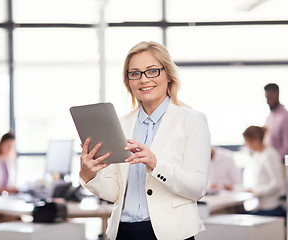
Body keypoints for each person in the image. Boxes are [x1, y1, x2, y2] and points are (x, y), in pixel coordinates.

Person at [79, 41, 211, 240]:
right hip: (123, 231)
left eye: (152, 71)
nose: (143, 79)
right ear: (129, 81)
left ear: (168, 75)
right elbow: (115, 192)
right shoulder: (121, 125)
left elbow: (197, 189)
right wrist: (89, 176)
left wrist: (155, 164)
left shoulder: (191, 120)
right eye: (135, 73)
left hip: (170, 234)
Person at [242, 125, 285, 217]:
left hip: (272, 206)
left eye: (248, 142)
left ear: (256, 141)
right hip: (260, 205)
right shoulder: (257, 155)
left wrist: (256, 190)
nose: (247, 146)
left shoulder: (270, 155)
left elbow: (277, 183)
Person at [264, 83, 288, 161]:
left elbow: (286, 145)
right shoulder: (269, 117)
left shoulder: (284, 116)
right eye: (266, 98)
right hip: (269, 160)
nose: (267, 101)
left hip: (279, 162)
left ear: (277, 95)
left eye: (270, 98)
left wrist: (275, 159)